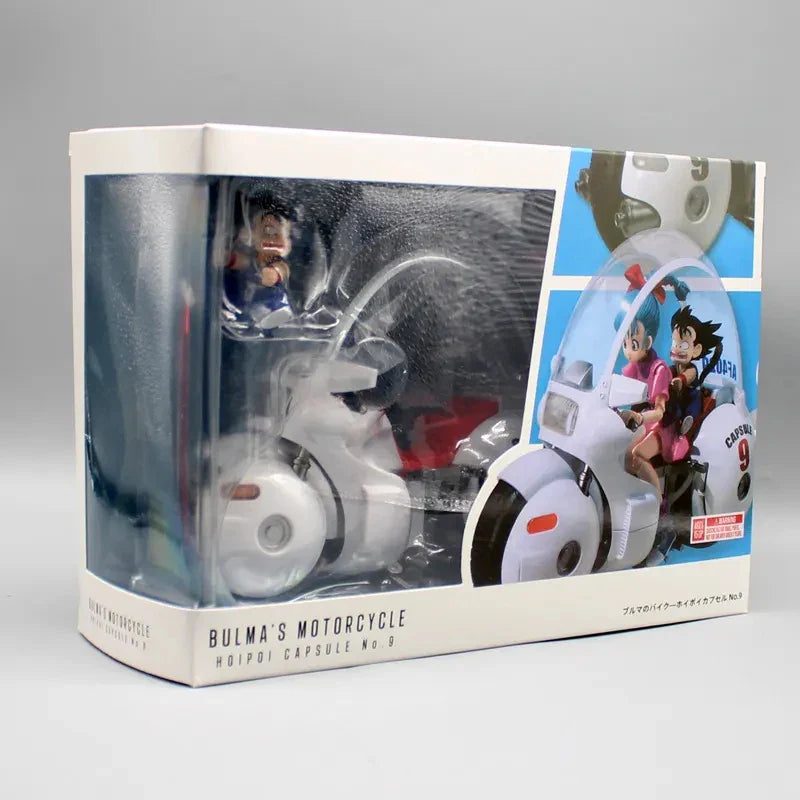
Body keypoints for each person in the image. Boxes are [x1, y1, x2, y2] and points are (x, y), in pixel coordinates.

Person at [224, 190, 295, 332]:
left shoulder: (277, 262)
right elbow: (242, 262)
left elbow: (282, 270)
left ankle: (272, 313)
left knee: (271, 303)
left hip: (270, 299)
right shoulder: (253, 260)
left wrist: (274, 274)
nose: (278, 239)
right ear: (250, 235)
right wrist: (227, 259)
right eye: (268, 232)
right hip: (247, 297)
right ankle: (237, 314)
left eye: (287, 234)